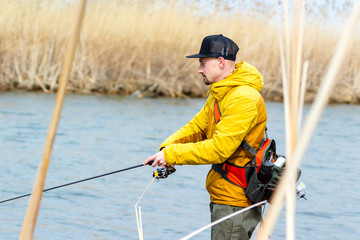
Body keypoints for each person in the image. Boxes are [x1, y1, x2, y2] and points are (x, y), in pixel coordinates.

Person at [144, 34, 267, 240]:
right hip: (223, 195)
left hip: (236, 199)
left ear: (220, 62)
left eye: (202, 63)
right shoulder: (220, 92)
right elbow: (197, 127)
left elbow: (220, 149)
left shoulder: (243, 98)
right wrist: (166, 149)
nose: (199, 70)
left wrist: (173, 155)